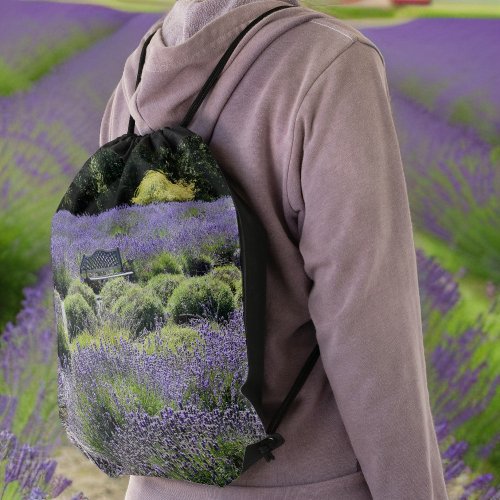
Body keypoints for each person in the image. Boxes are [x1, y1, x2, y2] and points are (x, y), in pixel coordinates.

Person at [99, 0, 450, 498]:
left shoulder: (135, 77)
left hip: (156, 479)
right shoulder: (328, 65)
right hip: (306, 480)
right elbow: (367, 324)